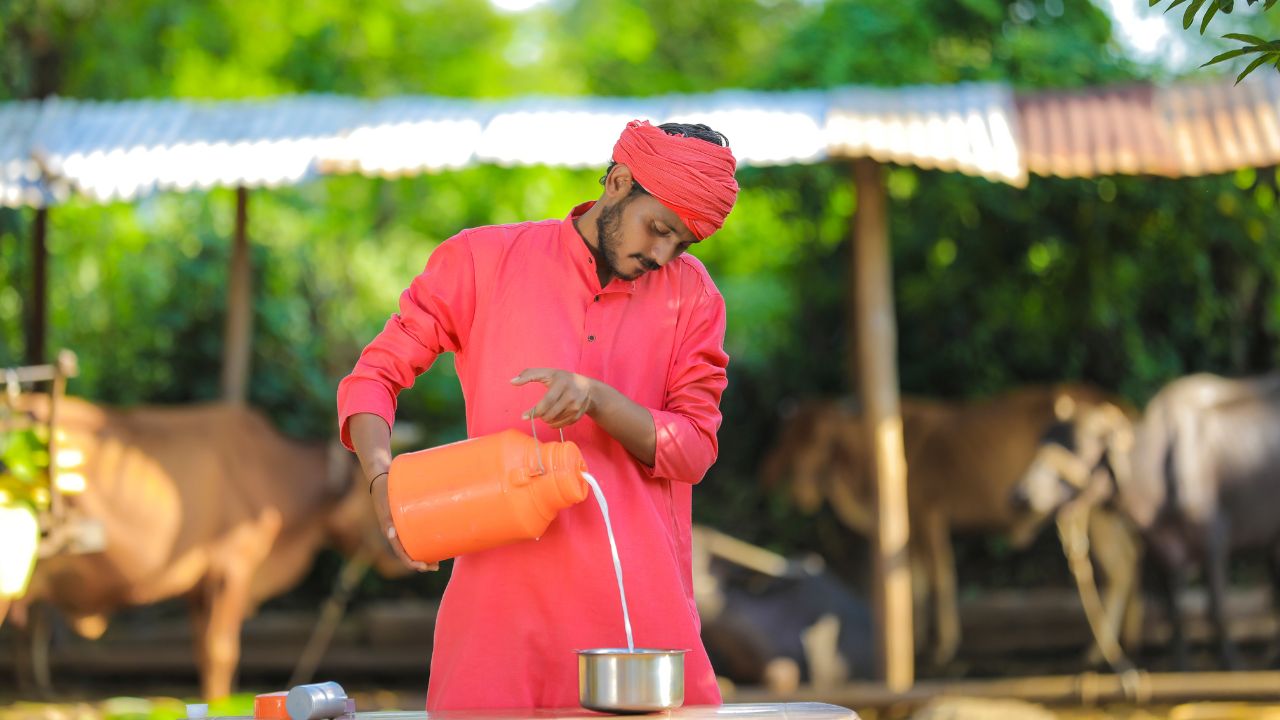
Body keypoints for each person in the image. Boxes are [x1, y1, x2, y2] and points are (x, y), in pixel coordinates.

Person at [336, 119, 739, 709]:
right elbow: (373, 377)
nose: (662, 255)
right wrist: (380, 480)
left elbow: (695, 447)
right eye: (658, 229)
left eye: (682, 243)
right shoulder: (482, 261)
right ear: (620, 182)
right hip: (499, 613)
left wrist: (599, 399)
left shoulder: (692, 297)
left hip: (636, 613)